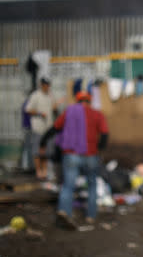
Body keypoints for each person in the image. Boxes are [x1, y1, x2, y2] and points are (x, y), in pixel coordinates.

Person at [40, 91, 109, 230]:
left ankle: (64, 212)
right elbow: (105, 134)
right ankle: (91, 215)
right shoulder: (97, 114)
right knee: (92, 185)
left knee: (68, 185)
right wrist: (99, 148)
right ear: (89, 101)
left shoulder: (69, 112)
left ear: (78, 101)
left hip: (71, 154)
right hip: (90, 154)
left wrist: (43, 142)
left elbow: (54, 128)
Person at [25, 77, 57, 180]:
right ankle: (39, 171)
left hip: (48, 129)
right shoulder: (35, 96)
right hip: (38, 128)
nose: (47, 86)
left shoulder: (50, 96)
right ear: (42, 85)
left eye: (48, 84)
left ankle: (45, 171)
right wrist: (39, 113)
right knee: (37, 151)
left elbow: (52, 109)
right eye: (46, 84)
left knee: (47, 152)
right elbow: (28, 110)